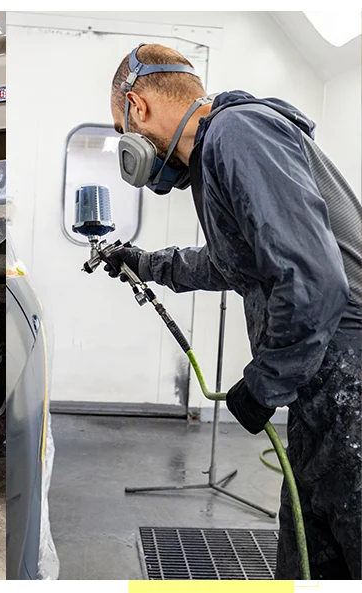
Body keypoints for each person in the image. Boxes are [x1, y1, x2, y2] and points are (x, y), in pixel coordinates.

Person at [103, 43, 362, 583]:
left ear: (138, 106)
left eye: (120, 125)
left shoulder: (237, 134)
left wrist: (265, 384)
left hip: (347, 372)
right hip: (323, 375)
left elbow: (315, 280)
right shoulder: (218, 150)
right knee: (313, 550)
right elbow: (234, 263)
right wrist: (145, 262)